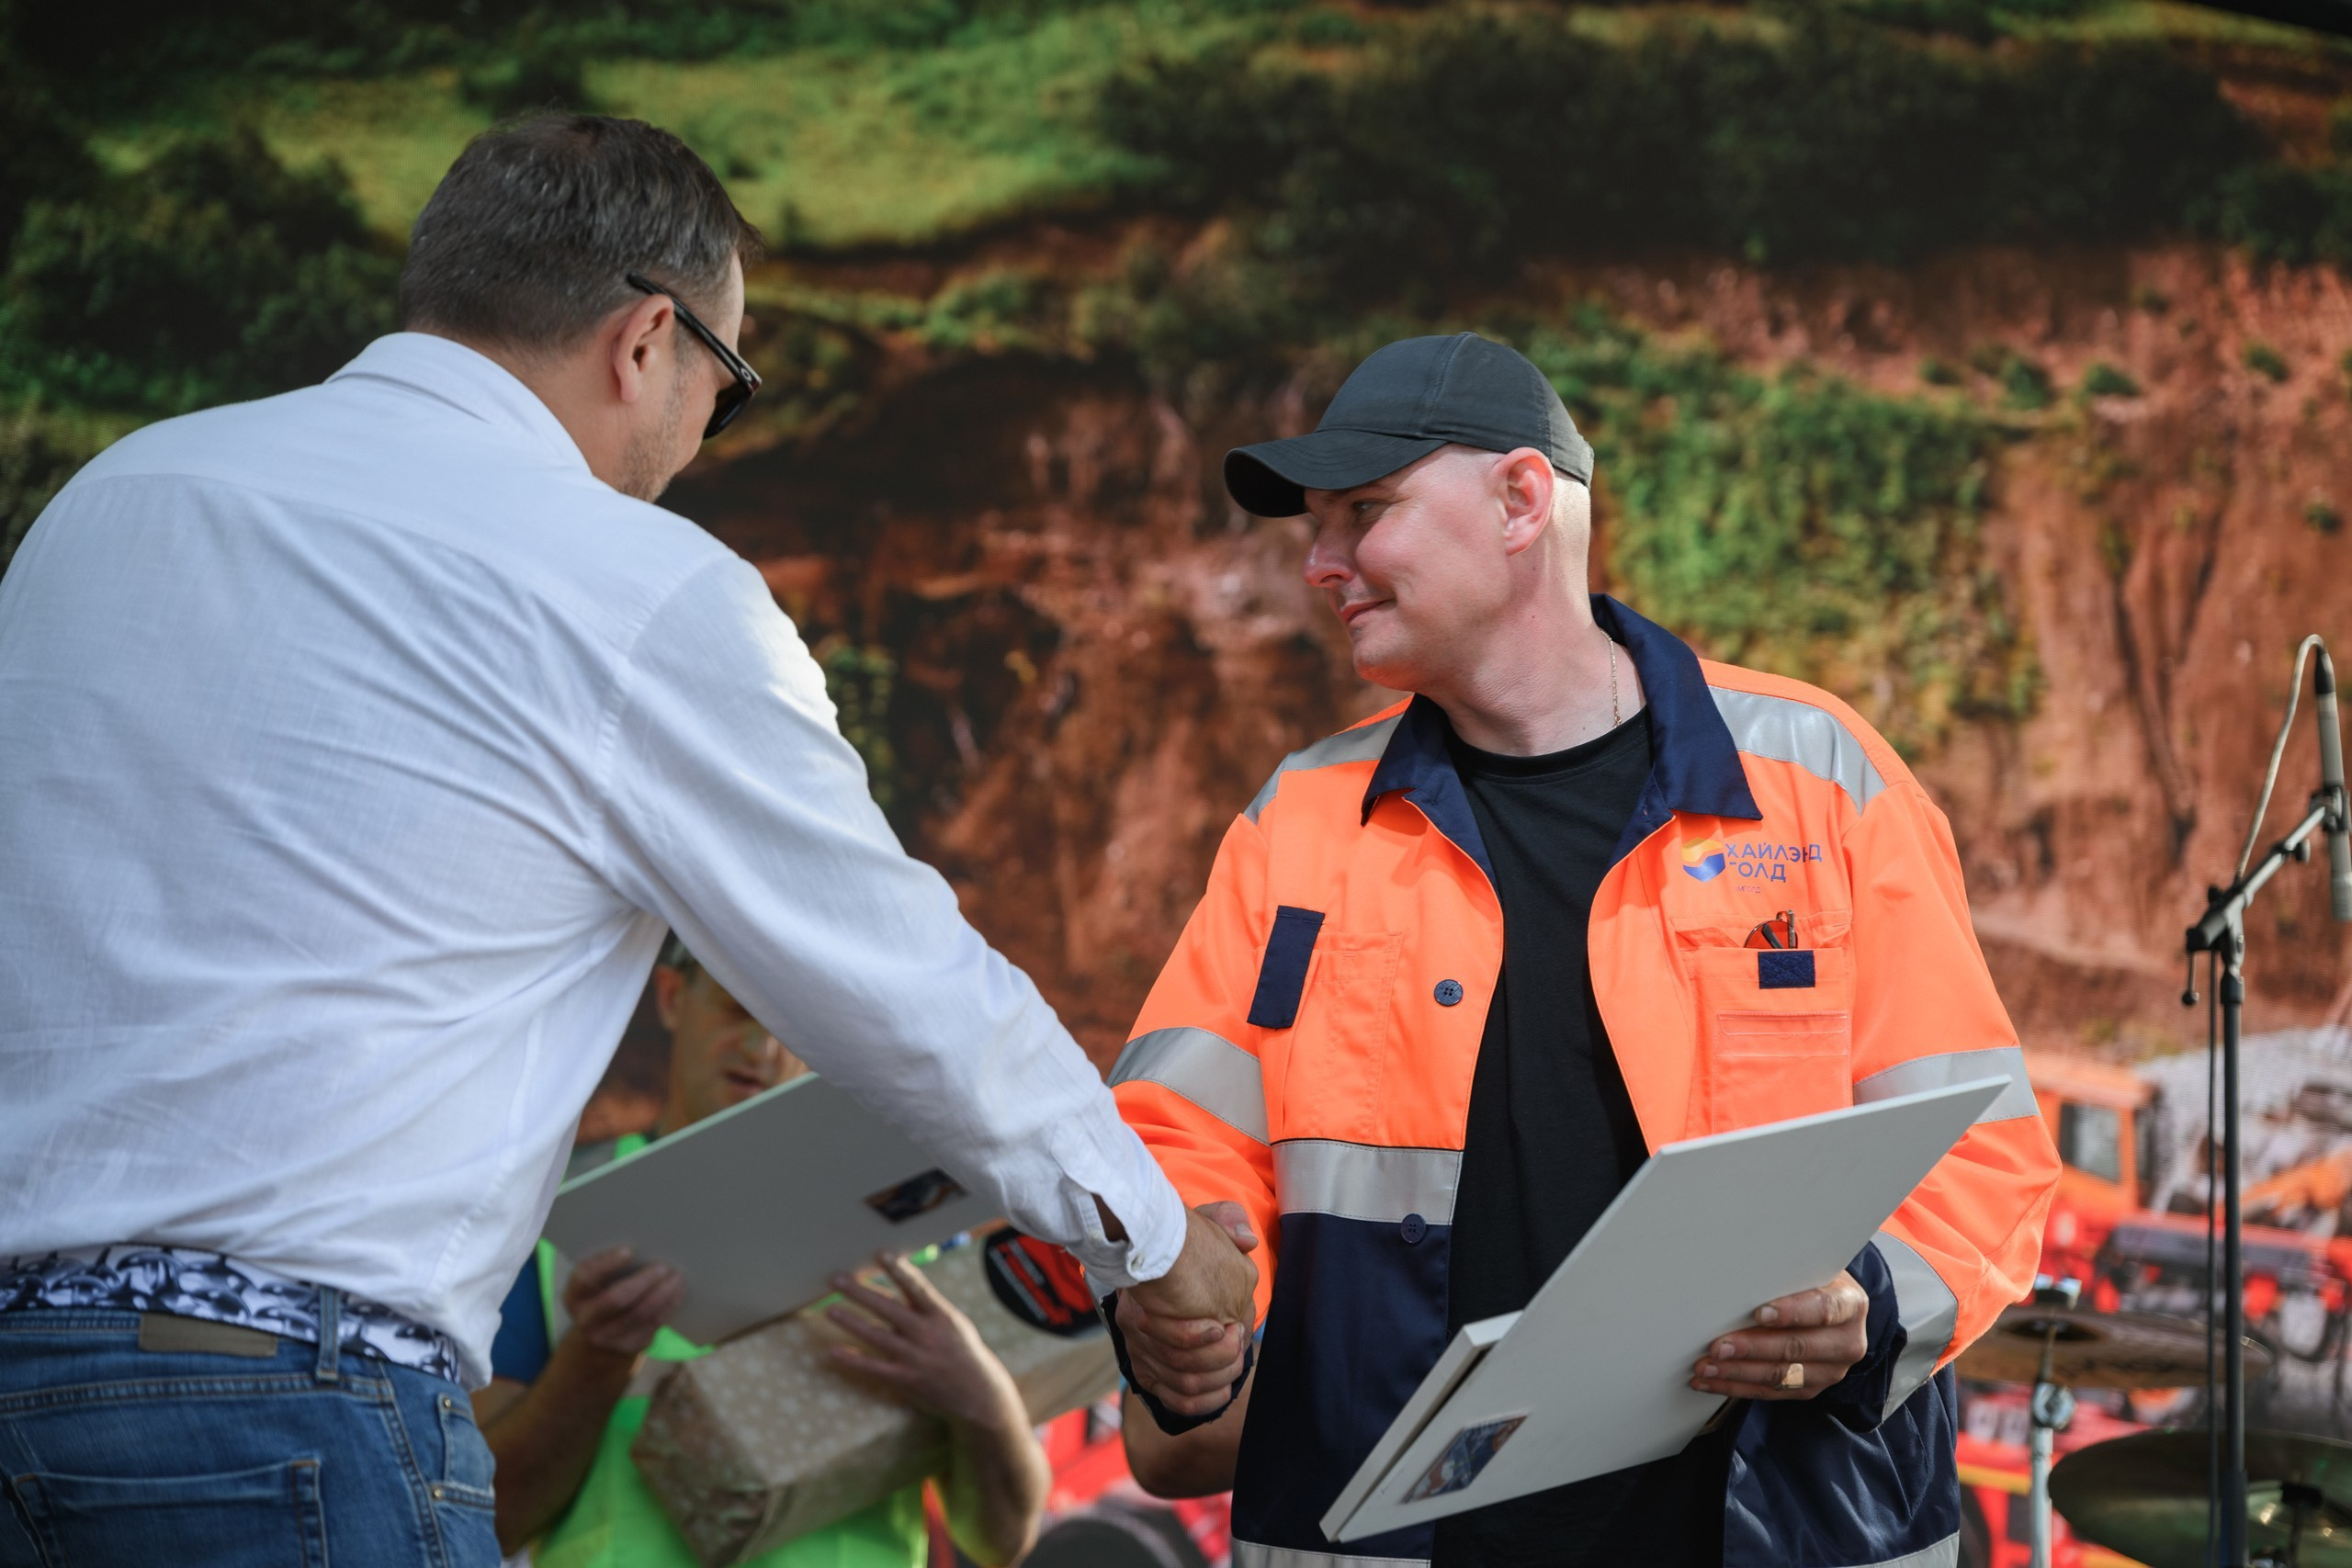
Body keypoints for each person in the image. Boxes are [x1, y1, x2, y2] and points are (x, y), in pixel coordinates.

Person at [0, 114, 1248, 1568]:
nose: (700, 445)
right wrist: (1152, 1242)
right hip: (283, 1403)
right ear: (649, 338)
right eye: (728, 389)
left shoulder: (118, 498)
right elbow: (903, 980)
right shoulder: (630, 584)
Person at [1104, 333, 2062, 1568]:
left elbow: (1983, 1143)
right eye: (1315, 526)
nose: (1319, 562)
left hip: (1791, 1527)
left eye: (1364, 513)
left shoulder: (1821, 778)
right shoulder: (1298, 822)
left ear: (1518, 499)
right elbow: (1176, 1135)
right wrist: (1179, 1284)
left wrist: (1868, 1303)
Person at [478, 938, 1048, 1568]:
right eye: (737, 1008)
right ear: (673, 996)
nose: (763, 1050)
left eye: (797, 1028)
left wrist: (983, 1404)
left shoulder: (917, 1220)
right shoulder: (557, 1221)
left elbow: (1001, 1541)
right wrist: (596, 1357)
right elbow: (491, 1520)